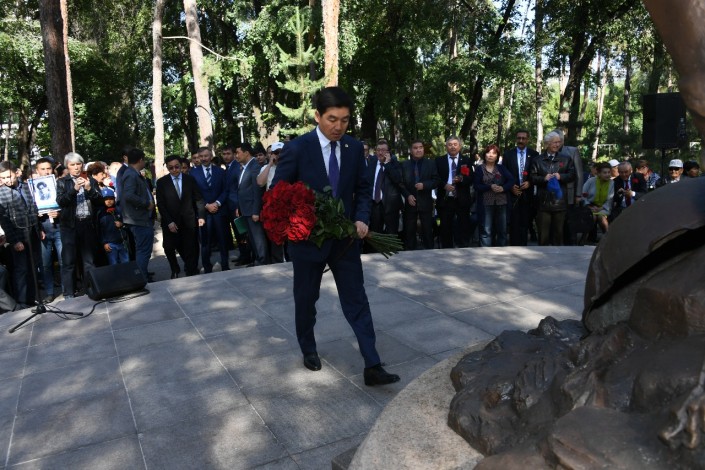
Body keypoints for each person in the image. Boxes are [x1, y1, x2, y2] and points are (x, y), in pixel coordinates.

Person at [272, 86, 400, 386]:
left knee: (357, 300)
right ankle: (308, 347)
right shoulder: (297, 148)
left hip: (345, 242)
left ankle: (372, 364)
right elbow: (279, 193)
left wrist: (361, 217)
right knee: (306, 299)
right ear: (317, 116)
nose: (338, 126)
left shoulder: (354, 148)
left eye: (344, 120)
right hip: (307, 242)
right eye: (332, 119)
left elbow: (363, 189)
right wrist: (300, 220)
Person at [56, 152, 103, 298]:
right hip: (69, 225)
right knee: (69, 261)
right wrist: (74, 189)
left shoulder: (91, 180)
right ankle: (69, 293)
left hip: (87, 223)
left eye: (78, 164)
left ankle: (90, 289)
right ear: (67, 166)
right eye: (72, 165)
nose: (76, 167)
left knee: (89, 260)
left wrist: (89, 189)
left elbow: (100, 201)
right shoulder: (62, 182)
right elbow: (61, 201)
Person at [0, 161, 43, 306]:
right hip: (18, 235)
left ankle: (32, 298)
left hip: (32, 232)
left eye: (9, 176)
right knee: (21, 269)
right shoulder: (2, 193)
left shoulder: (26, 186)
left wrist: (39, 228)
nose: (7, 180)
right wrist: (14, 241)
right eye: (3, 178)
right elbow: (5, 221)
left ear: (17, 173)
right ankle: (22, 301)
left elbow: (33, 208)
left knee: (33, 267)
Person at [156, 154, 206, 278]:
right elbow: (161, 204)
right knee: (169, 247)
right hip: (170, 221)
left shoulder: (189, 180)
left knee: (191, 247)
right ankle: (175, 269)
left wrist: (201, 216)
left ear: (181, 165)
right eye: (171, 168)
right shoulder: (162, 182)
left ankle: (191, 270)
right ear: (167, 168)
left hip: (188, 220)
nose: (174, 170)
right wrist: (169, 222)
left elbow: (198, 199)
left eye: (177, 167)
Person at [530, 131, 576, 246]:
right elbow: (532, 178)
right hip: (543, 202)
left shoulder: (566, 159)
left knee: (558, 235)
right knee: (543, 235)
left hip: (560, 202)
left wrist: (561, 177)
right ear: (547, 143)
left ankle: (558, 255)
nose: (557, 144)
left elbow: (572, 175)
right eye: (554, 142)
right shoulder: (537, 160)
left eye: (559, 142)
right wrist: (543, 179)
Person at [190, 147, 230, 273]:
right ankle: (207, 267)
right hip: (204, 213)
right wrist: (206, 205)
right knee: (205, 242)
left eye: (206, 156)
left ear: (211, 156)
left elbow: (226, 190)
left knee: (222, 239)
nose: (203, 158)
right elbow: (193, 193)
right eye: (201, 156)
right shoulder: (193, 173)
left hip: (220, 211)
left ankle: (225, 265)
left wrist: (217, 203)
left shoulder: (220, 171)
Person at [120, 148, 154, 281]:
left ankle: (141, 278)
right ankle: (141, 279)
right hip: (138, 219)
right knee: (143, 251)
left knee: (143, 250)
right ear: (140, 160)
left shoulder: (133, 173)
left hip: (139, 218)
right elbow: (129, 195)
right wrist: (146, 203)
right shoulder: (131, 174)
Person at [400, 139, 440, 250]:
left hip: (425, 203)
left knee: (427, 231)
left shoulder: (431, 164)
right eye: (415, 148)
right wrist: (407, 195)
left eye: (420, 147)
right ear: (411, 150)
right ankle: (410, 254)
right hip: (410, 203)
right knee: (409, 232)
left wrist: (425, 185)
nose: (418, 150)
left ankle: (430, 253)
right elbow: (400, 183)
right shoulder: (404, 165)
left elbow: (436, 180)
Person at [435, 136, 474, 248]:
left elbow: (471, 178)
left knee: (463, 226)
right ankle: (447, 250)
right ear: (446, 146)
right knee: (445, 227)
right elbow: (435, 178)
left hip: (462, 199)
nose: (453, 147)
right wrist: (444, 185)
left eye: (455, 144)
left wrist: (461, 179)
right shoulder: (439, 160)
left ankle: (463, 248)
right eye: (450, 144)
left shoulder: (466, 160)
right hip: (445, 199)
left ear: (460, 146)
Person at [33, 157, 62, 303]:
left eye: (48, 168)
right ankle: (50, 293)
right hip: (43, 230)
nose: (46, 171)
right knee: (45, 264)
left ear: (53, 170)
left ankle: (67, 290)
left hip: (59, 228)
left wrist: (59, 213)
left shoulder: (59, 185)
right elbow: (28, 210)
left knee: (64, 260)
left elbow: (67, 205)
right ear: (37, 171)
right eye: (42, 169)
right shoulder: (31, 188)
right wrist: (36, 217)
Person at [503, 130, 539, 246]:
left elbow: (537, 173)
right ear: (516, 139)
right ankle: (513, 247)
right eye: (519, 138)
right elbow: (503, 173)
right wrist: (510, 186)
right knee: (514, 223)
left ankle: (523, 247)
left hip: (527, 194)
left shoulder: (534, 155)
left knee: (525, 222)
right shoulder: (508, 155)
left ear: (528, 139)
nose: (521, 140)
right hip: (512, 193)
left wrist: (530, 182)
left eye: (523, 138)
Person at [473, 144, 514, 247]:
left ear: (497, 156)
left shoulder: (501, 168)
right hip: (486, 203)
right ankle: (486, 253)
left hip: (501, 202)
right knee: (486, 230)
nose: (490, 155)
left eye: (493, 153)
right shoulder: (479, 169)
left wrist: (503, 188)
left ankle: (501, 252)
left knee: (502, 230)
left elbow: (511, 180)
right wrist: (489, 186)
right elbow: (476, 186)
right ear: (484, 154)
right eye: (488, 152)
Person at [236, 142, 268, 266]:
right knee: (252, 237)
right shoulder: (244, 167)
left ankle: (263, 260)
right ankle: (257, 259)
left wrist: (256, 211)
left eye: (238, 153)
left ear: (246, 153)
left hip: (252, 210)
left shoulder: (254, 166)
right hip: (245, 209)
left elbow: (257, 191)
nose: (236, 155)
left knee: (258, 237)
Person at [367, 139, 404, 237]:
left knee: (392, 234)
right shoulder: (371, 164)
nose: (380, 152)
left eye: (383, 150)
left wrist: (387, 164)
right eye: (378, 150)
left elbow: (398, 180)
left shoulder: (395, 164)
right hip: (375, 204)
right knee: (375, 234)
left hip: (391, 206)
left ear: (388, 152)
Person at [257, 141, 286, 263]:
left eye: (281, 152)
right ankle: (278, 263)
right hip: (273, 208)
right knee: (276, 240)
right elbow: (260, 182)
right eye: (276, 153)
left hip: (288, 206)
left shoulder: (290, 165)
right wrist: (269, 164)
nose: (278, 155)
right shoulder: (266, 168)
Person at [223, 144, 251, 267]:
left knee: (242, 233)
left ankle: (246, 256)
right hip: (230, 206)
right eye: (224, 154)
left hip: (236, 206)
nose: (226, 156)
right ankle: (243, 254)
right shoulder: (228, 167)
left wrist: (238, 206)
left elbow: (240, 188)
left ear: (234, 154)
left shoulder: (237, 167)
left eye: (228, 154)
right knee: (238, 232)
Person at [97, 188, 129, 265]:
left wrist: (121, 224)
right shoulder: (100, 213)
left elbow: (127, 223)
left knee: (126, 263)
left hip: (122, 242)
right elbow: (99, 230)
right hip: (110, 244)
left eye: (111, 198)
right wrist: (104, 243)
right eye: (106, 199)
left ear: (114, 199)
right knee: (113, 264)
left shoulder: (119, 210)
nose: (109, 201)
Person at [581, 162, 614, 235]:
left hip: (604, 208)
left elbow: (610, 200)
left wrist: (600, 208)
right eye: (604, 173)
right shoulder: (590, 181)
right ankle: (585, 237)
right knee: (592, 217)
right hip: (589, 206)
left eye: (609, 172)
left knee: (601, 217)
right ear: (599, 173)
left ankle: (607, 236)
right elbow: (583, 195)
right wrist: (588, 206)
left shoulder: (612, 183)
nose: (607, 174)